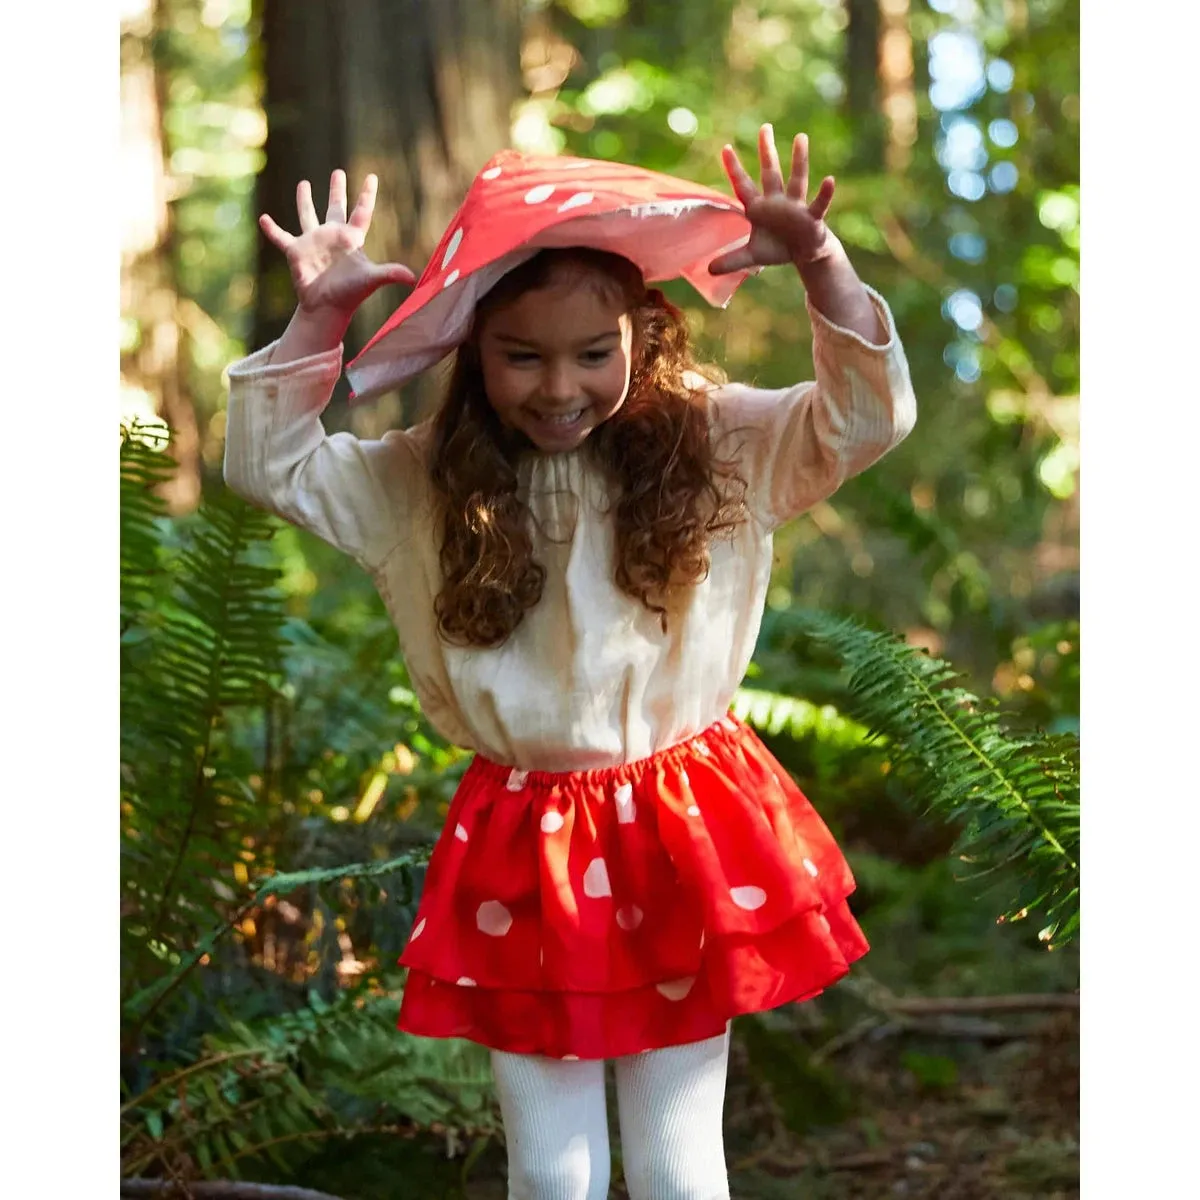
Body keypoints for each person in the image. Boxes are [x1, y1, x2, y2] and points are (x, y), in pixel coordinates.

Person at [225, 125, 917, 1200]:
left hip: (685, 821)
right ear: (472, 351)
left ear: (644, 335)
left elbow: (865, 417)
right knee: (552, 1174)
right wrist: (318, 318)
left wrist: (825, 268)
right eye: (522, 355)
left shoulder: (723, 443)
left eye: (594, 352)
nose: (560, 387)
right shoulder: (420, 482)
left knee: (681, 1171)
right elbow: (270, 465)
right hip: (523, 837)